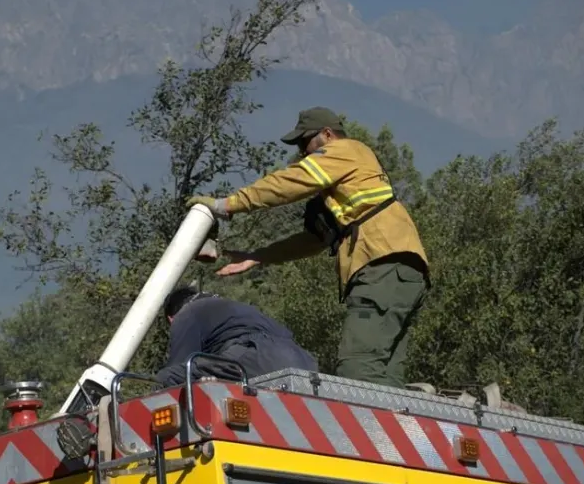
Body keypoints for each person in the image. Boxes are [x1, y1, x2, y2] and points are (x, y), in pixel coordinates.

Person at [186, 106, 429, 389]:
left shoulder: (346, 150)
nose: (303, 153)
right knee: (384, 375)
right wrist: (258, 256)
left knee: (358, 369)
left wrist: (227, 204)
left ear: (327, 134)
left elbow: (289, 182)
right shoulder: (348, 186)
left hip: (381, 265)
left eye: (305, 142)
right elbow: (313, 240)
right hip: (399, 271)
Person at [155, 285, 318, 387]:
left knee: (166, 378)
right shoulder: (233, 307)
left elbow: (181, 364)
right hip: (304, 361)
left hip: (253, 355)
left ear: (171, 318)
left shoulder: (186, 312)